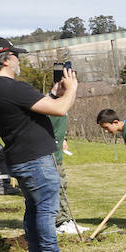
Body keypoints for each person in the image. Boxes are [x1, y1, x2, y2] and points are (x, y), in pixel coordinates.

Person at [0, 37, 85, 252]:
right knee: (46, 209)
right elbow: (59, 110)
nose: (18, 60)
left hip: (20, 156)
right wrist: (72, 89)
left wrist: (54, 93)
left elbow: (36, 107)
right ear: (6, 59)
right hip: (35, 158)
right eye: (16, 56)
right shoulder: (12, 87)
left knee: (35, 208)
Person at [49, 100, 85, 236]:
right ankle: (59, 222)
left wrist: (64, 139)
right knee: (58, 188)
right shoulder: (49, 107)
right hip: (50, 157)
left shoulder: (63, 107)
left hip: (58, 155)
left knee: (62, 185)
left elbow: (59, 128)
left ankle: (63, 219)